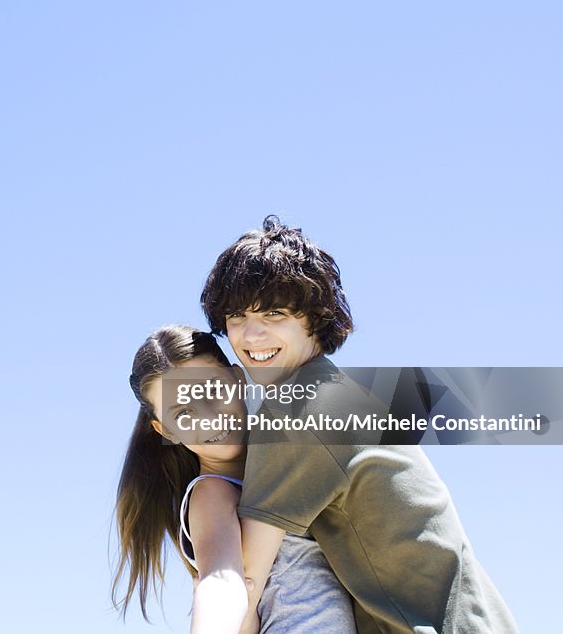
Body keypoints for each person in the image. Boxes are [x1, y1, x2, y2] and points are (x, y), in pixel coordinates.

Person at [199, 216, 519, 633]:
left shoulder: (296, 411)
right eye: (236, 316)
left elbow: (245, 580)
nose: (251, 335)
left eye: (274, 313)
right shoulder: (348, 394)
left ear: (313, 318)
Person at [113, 325, 356, 634]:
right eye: (184, 414)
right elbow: (220, 582)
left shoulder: (290, 458)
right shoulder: (211, 493)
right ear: (167, 432)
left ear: (239, 380)